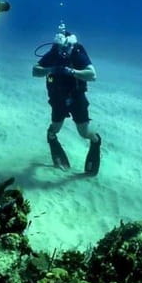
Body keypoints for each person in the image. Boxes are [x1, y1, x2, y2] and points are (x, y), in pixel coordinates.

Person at [32, 26, 102, 175]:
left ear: (71, 45)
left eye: (66, 47)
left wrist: (72, 72)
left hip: (76, 97)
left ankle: (96, 141)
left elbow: (92, 75)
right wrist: (50, 69)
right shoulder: (53, 53)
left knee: (84, 132)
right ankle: (52, 141)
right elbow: (35, 71)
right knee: (54, 129)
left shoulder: (77, 52)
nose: (63, 51)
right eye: (60, 47)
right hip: (57, 97)